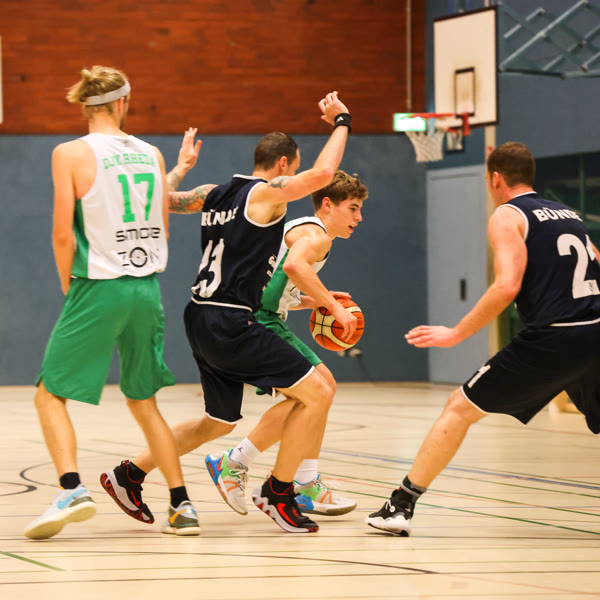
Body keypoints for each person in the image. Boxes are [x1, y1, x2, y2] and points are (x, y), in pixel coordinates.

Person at [102, 91, 355, 533]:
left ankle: (129, 474)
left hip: (200, 315)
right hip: (233, 320)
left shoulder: (214, 194)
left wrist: (181, 167)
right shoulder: (266, 196)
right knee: (318, 392)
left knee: (218, 421)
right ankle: (279, 492)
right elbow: (324, 174)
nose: (294, 177)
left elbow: (162, 200)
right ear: (283, 164)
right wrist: (342, 121)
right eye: (293, 169)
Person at [366, 141, 600, 536]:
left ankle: (399, 506)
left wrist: (457, 332)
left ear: (494, 179)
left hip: (554, 337)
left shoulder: (507, 215)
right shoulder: (568, 214)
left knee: (459, 408)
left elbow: (507, 286)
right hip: (594, 330)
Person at [24, 66, 200, 540]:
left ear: (85, 104)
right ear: (123, 102)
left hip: (98, 285)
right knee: (144, 401)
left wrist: (68, 283)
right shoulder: (151, 153)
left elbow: (63, 233)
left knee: (48, 394)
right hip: (146, 289)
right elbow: (161, 218)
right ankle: (182, 506)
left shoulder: (69, 153)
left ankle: (71, 489)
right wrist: (180, 170)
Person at [204, 170, 367, 518]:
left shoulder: (307, 230)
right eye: (353, 208)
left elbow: (277, 286)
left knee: (323, 389)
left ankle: (305, 481)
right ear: (328, 205)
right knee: (315, 394)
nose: (359, 217)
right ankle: (235, 462)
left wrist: (316, 300)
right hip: (259, 319)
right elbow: (294, 266)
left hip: (264, 313)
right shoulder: (316, 234)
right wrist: (334, 306)